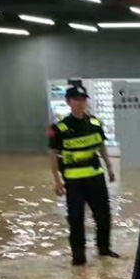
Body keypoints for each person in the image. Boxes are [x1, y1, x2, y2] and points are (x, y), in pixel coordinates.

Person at [48, 83, 118, 265]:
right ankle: (78, 257)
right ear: (68, 102)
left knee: (103, 215)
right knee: (76, 220)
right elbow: (53, 155)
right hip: (73, 181)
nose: (80, 103)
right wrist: (56, 181)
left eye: (83, 99)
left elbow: (101, 146)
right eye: (76, 100)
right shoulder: (60, 128)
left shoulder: (94, 123)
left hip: (95, 177)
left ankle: (104, 249)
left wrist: (110, 167)